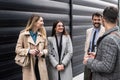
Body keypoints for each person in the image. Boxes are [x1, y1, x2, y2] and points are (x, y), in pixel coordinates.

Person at [83, 6, 120, 80]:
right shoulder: (117, 34)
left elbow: (107, 67)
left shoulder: (109, 39)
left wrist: (89, 61)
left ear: (103, 19)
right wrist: (96, 56)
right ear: (117, 19)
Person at [15, 15, 49, 80]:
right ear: (34, 22)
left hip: (41, 65)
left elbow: (47, 49)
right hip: (29, 65)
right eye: (41, 21)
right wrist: (29, 51)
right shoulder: (23, 35)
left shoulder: (42, 35)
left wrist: (42, 52)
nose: (43, 23)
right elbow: (17, 49)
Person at [84, 12, 105, 80]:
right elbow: (87, 44)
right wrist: (85, 55)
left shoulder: (105, 31)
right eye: (95, 19)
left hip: (98, 60)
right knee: (87, 78)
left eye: (98, 20)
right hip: (88, 59)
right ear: (92, 20)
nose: (96, 21)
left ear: (102, 20)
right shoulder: (88, 31)